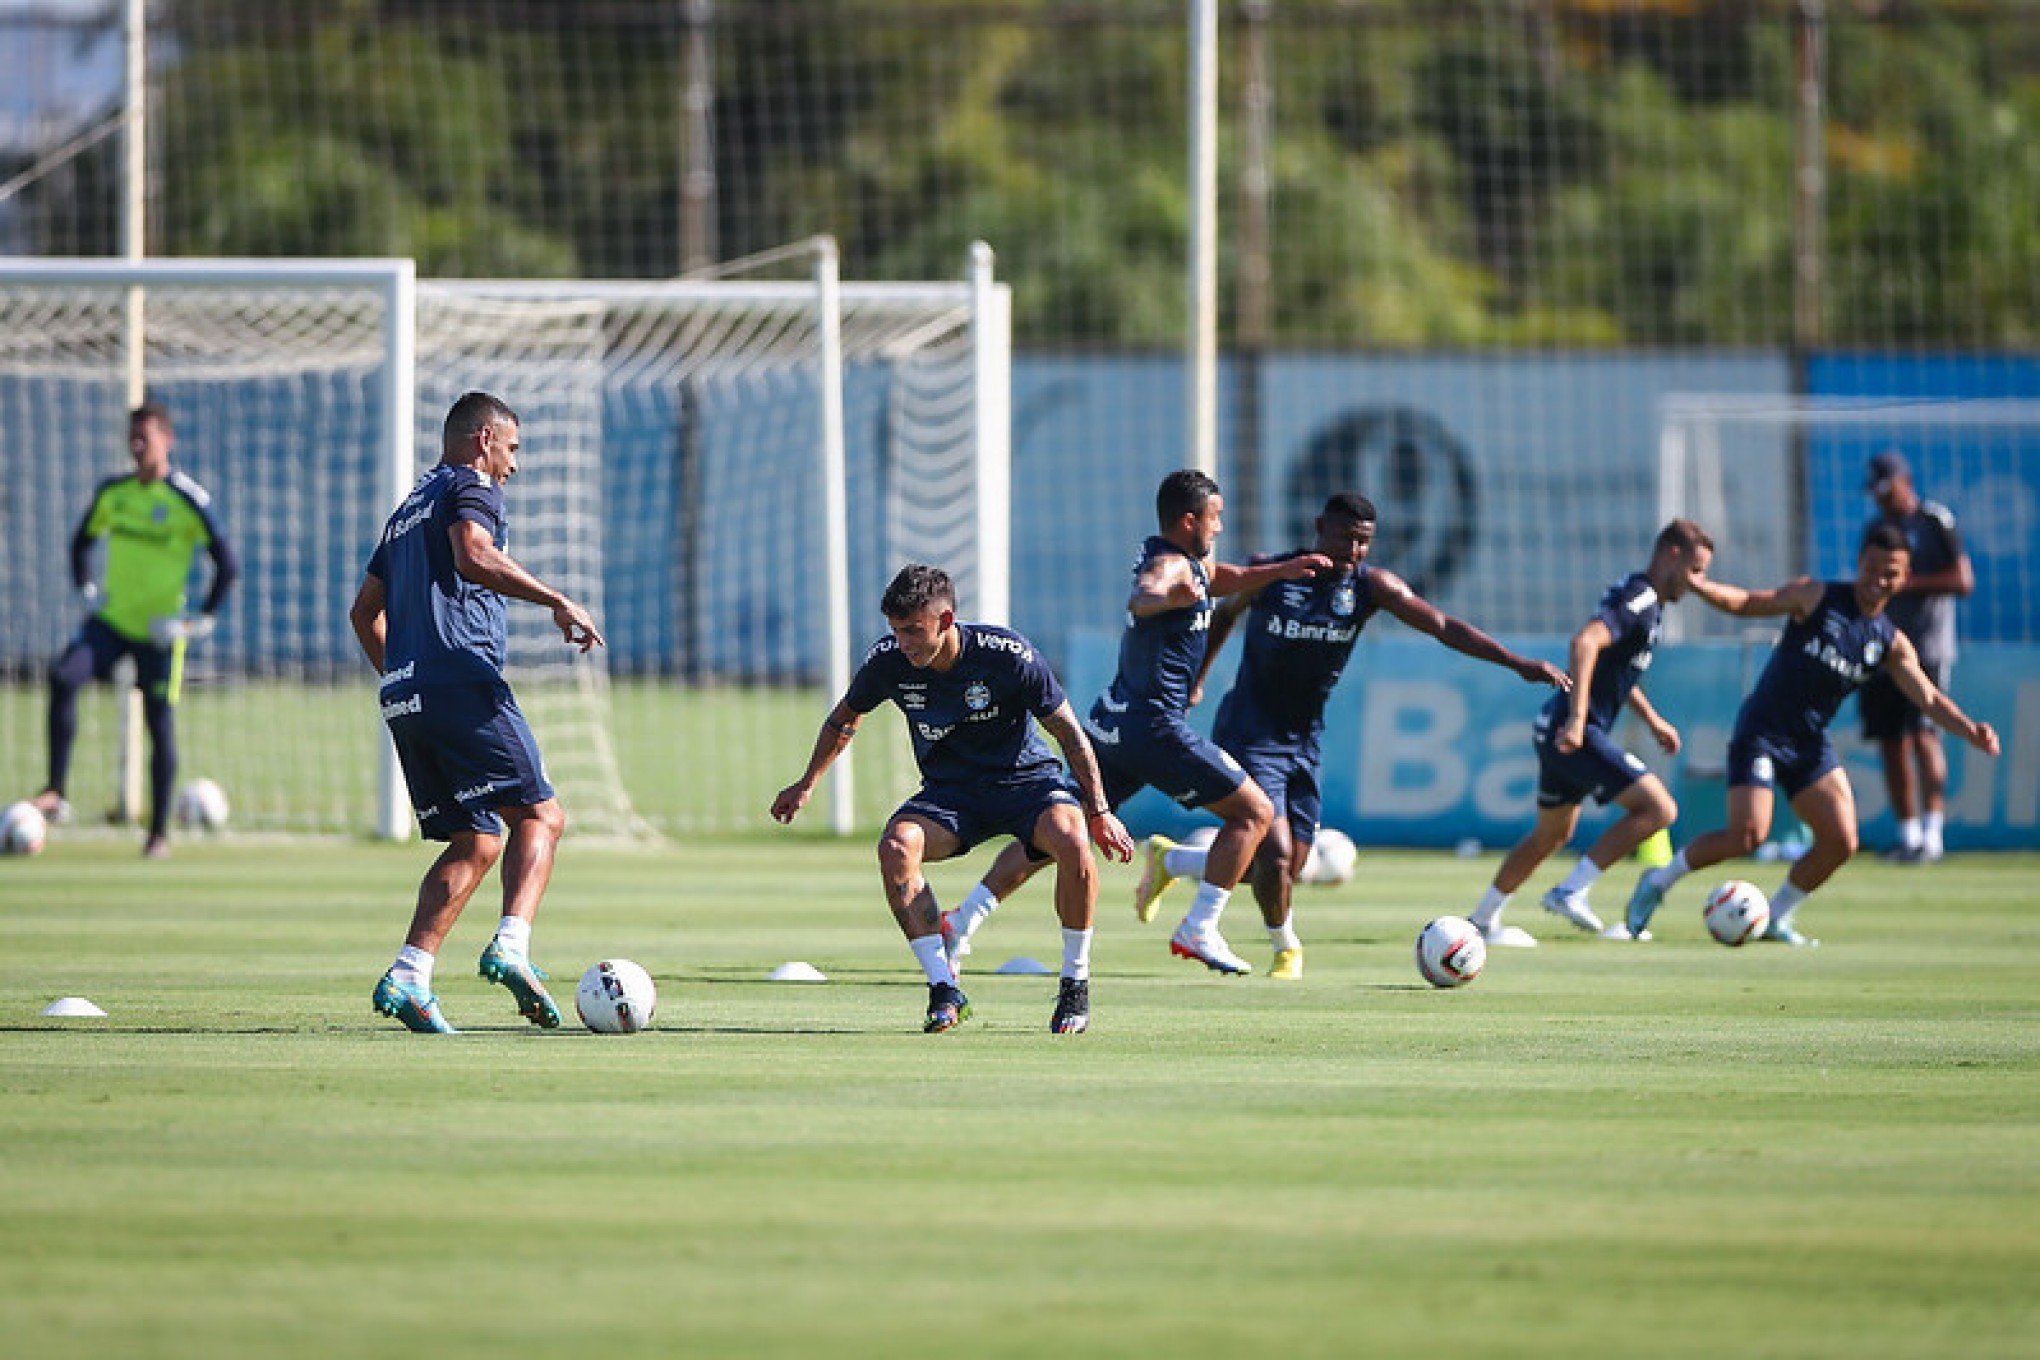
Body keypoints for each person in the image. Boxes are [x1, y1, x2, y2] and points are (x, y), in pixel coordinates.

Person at [1131, 493, 1569, 978]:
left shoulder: (1369, 587)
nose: (1354, 551)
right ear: (1319, 527)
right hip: (1249, 731)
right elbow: (1225, 616)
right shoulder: (1270, 574)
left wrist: (1517, 664)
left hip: (1304, 740)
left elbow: (1444, 626)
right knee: (1274, 853)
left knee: (1286, 866)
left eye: (1364, 543)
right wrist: (1198, 676)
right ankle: (1285, 946)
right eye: (1346, 538)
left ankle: (1175, 863)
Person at [940, 469, 1335, 978]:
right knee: (1255, 813)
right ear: (1189, 519)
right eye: (1214, 519)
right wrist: (1163, 600)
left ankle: (962, 920)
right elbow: (1145, 593)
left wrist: (1281, 570)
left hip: (1115, 724)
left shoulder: (1187, 561)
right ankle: (1200, 926)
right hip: (1155, 730)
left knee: (1057, 833)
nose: (1220, 527)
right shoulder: (1170, 566)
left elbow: (1224, 578)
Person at [769, 564, 1136, 1035]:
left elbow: (1067, 730)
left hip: (1025, 782)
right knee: (896, 847)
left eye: (913, 631)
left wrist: (1099, 810)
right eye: (897, 631)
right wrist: (807, 782)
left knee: (1072, 838)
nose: (904, 643)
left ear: (945, 622)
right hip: (951, 794)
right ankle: (944, 989)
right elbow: (844, 718)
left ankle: (1075, 984)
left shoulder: (1008, 655)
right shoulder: (888, 662)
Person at [348, 391, 604, 1034]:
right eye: (511, 449)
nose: (513, 467)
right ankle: (512, 946)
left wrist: (408, 681)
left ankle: (410, 974)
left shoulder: (407, 509)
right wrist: (556, 599)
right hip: (460, 677)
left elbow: (362, 614)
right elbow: (474, 553)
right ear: (485, 439)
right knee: (542, 815)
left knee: (480, 838)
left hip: (406, 696)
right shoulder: (470, 485)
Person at [1621, 524, 1999, 946]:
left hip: (1809, 744)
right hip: (1762, 731)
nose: (1878, 581)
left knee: (1841, 840)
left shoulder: (1890, 642)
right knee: (1747, 835)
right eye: (1871, 569)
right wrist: (1700, 586)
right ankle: (1658, 880)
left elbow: (1927, 697)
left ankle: (1776, 916)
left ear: (1905, 578)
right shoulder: (1816, 596)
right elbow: (1749, 603)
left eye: (1889, 573)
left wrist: (1969, 730)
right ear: (1859, 564)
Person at [1468, 520, 1713, 947]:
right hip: (1571, 730)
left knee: (1551, 834)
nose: (1698, 583)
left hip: (1557, 728)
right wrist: (1579, 720)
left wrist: (1652, 721)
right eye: (1696, 570)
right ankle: (1571, 890)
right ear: (1671, 554)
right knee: (1659, 809)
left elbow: (1617, 671)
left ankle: (1482, 919)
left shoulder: (1643, 600)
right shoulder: (1642, 597)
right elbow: (1585, 642)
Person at [30, 404, 239, 858]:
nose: (137, 445)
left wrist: (199, 618)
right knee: (64, 677)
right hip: (111, 623)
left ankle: (159, 833)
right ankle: (55, 792)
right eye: (133, 437)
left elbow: (228, 563)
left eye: (145, 437)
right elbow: (81, 541)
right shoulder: (114, 493)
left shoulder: (187, 500)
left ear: (168, 441)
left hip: (160, 633)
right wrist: (86, 587)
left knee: (158, 725)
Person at [1859, 450, 1972, 863]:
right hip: (1883, 646)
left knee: (1925, 735)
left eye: (1887, 490)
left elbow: (1962, 579)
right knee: (1891, 740)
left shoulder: (1934, 521)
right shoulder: (1876, 528)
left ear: (1904, 481)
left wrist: (1906, 584)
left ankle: (1933, 833)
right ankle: (1907, 835)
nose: (1882, 500)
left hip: (1927, 646)